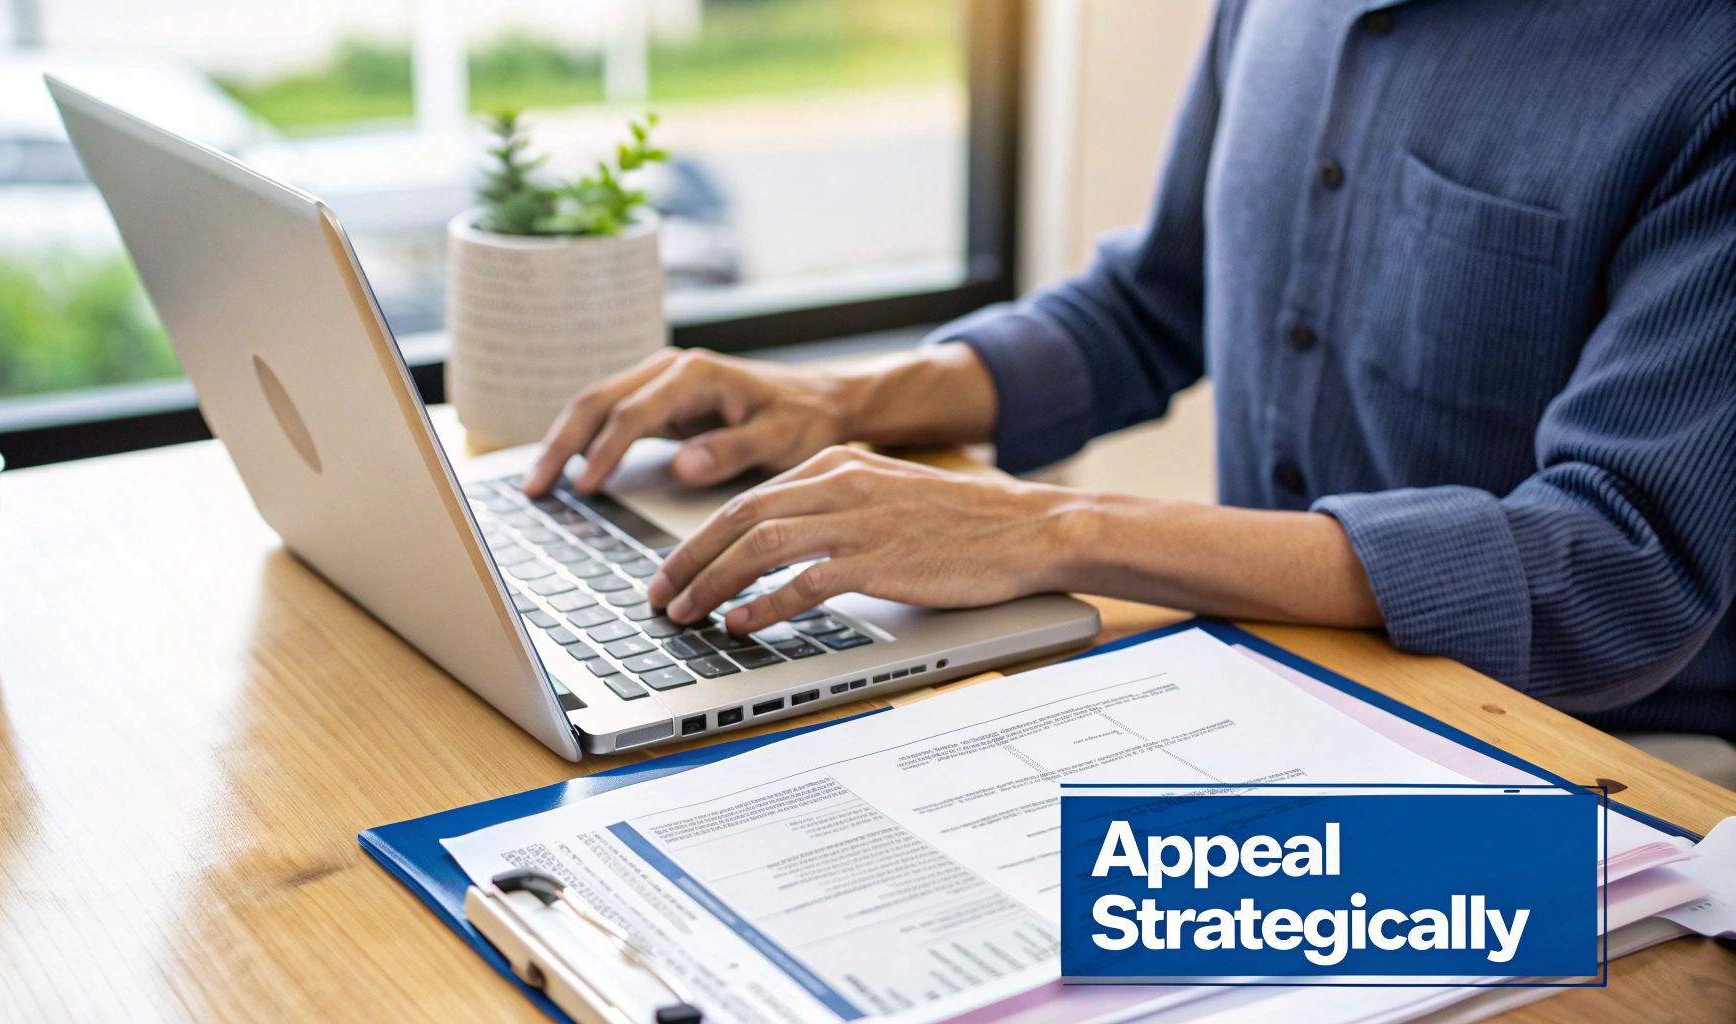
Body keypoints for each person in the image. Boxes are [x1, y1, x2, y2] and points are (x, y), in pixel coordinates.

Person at [523, 0, 1736, 746]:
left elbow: (1617, 569)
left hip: (1581, 761)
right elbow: (1155, 300)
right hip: (1268, 672)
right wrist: (849, 402)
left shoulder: (1702, 62)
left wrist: (1052, 530)